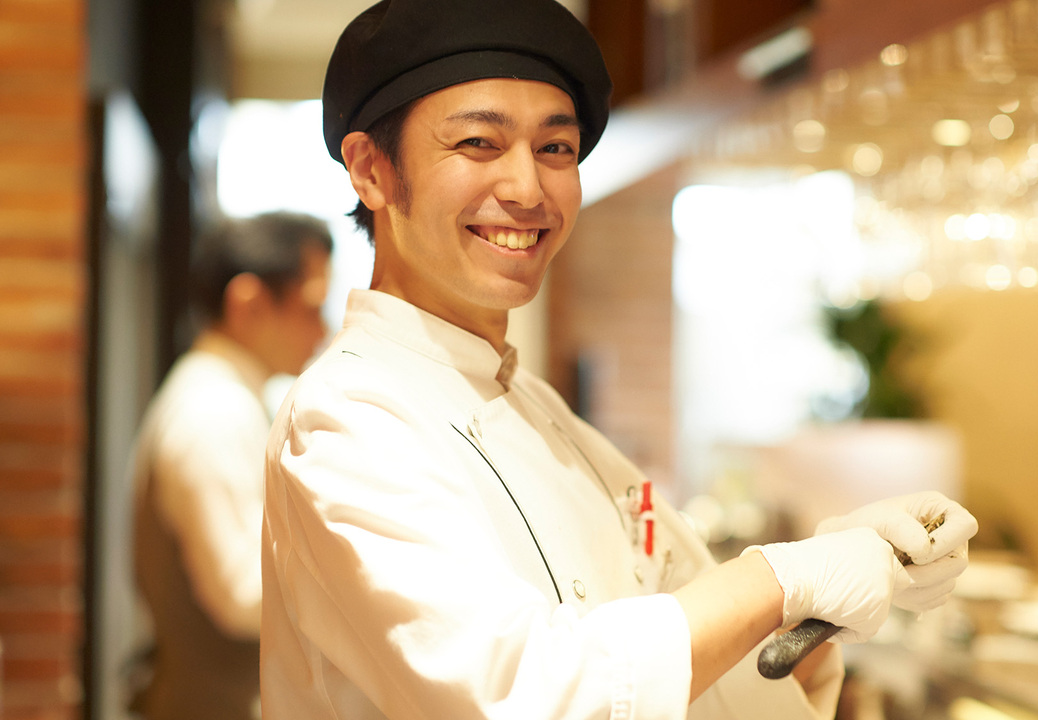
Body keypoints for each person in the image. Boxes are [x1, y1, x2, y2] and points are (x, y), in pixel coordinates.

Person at [259, 1, 979, 718]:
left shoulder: (536, 409)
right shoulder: (345, 421)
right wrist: (783, 577)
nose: (527, 188)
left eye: (556, 149)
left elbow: (671, 645)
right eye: (479, 143)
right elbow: (525, 694)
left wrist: (832, 588)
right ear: (371, 171)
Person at [130, 211, 333, 720]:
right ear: (249, 304)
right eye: (311, 307)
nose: (323, 329)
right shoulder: (212, 409)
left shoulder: (226, 396)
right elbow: (241, 596)